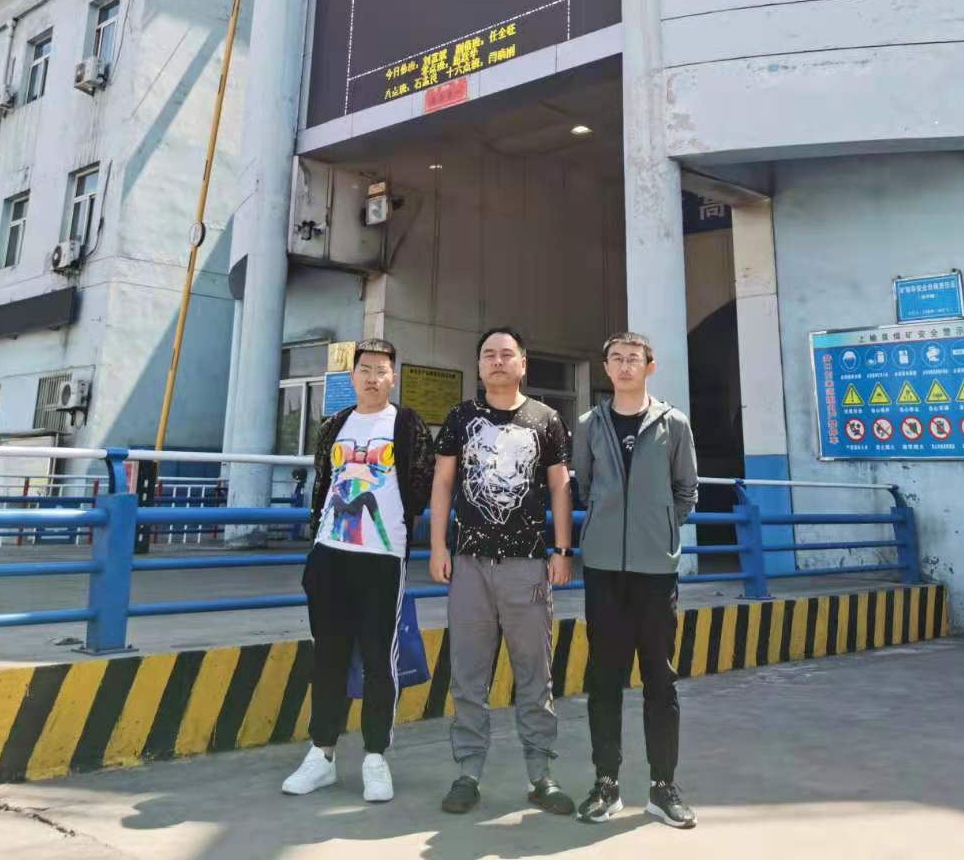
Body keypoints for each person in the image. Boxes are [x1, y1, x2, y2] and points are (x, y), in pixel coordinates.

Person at [282, 339, 435, 803]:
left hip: (382, 558)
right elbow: (323, 485)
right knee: (328, 656)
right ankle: (322, 754)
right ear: (352, 377)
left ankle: (375, 757)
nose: (372, 378)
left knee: (377, 659)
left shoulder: (406, 424)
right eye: (365, 369)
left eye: (381, 370)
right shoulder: (335, 425)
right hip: (330, 554)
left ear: (393, 378)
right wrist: (315, 548)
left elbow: (421, 486)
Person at [429, 328, 575, 816]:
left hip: (528, 564)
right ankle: (468, 772)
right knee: (468, 672)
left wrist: (561, 549)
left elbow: (560, 488)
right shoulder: (459, 417)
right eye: (488, 354)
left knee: (535, 671)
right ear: (478, 365)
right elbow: (443, 482)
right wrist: (437, 546)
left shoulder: (546, 419)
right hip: (469, 563)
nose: (497, 361)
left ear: (523, 364)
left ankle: (541, 774)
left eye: (506, 354)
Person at [571, 331, 699, 829]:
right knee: (604, 678)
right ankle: (606, 783)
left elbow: (686, 490)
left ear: (650, 366)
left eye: (634, 359)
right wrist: (607, 528)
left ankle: (663, 787)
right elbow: (585, 486)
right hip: (603, 570)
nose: (625, 366)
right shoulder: (588, 424)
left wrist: (659, 530)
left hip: (655, 571)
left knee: (659, 679)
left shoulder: (674, 424)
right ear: (606, 367)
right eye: (616, 359)